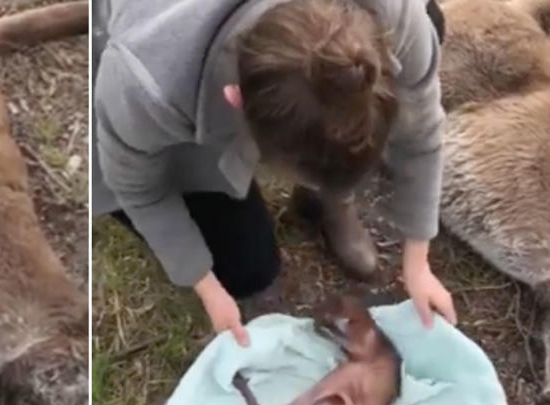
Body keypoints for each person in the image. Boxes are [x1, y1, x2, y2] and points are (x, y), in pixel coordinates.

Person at [92, 0, 456, 346]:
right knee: (246, 270)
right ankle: (315, 192)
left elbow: (422, 127)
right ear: (234, 101)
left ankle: (327, 200)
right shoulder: (145, 83)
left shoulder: (392, 12)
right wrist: (207, 286)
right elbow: (139, 187)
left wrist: (418, 261)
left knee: (432, 25)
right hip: (174, 58)